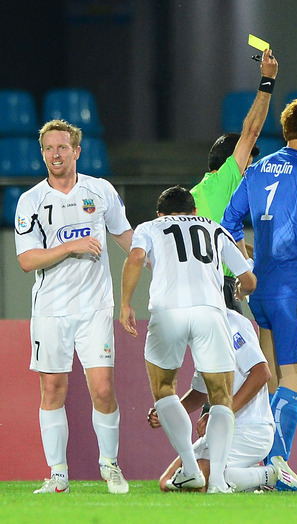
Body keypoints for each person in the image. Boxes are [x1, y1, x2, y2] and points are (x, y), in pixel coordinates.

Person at [14, 119, 133, 494]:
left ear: (77, 151)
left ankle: (110, 465)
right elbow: (27, 260)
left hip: (95, 307)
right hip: (50, 309)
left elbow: (125, 236)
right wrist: (70, 247)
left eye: (62, 147)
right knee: (52, 388)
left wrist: (158, 263)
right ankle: (58, 475)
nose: (56, 154)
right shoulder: (31, 201)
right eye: (49, 148)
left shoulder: (100, 191)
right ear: (42, 154)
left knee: (103, 389)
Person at [119, 185, 256, 494]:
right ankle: (217, 480)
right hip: (210, 312)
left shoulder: (150, 227)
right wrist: (242, 290)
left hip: (168, 312)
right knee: (221, 395)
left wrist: (126, 303)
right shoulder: (215, 228)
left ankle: (191, 468)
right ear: (194, 211)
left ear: (160, 214)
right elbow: (248, 279)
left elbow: (136, 258)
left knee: (164, 388)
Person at [221, 96, 297, 463]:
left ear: (286, 129)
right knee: (296, 382)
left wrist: (245, 264)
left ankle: (258, 465)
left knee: (272, 381)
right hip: (293, 288)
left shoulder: (257, 170)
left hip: (262, 289)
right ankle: (276, 467)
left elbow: (228, 221)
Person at [148, 309, 297, 493]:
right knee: (167, 483)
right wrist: (170, 412)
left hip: (251, 429)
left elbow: (261, 373)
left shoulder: (233, 323)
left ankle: (272, 474)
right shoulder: (196, 328)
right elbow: (201, 391)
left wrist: (220, 413)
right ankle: (246, 478)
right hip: (218, 431)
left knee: (201, 483)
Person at [191, 47, 278, 313]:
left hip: (192, 291)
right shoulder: (226, 179)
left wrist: (258, 254)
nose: (249, 169)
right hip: (220, 288)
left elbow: (220, 239)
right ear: (232, 160)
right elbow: (251, 131)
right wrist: (268, 79)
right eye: (247, 161)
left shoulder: (193, 194)